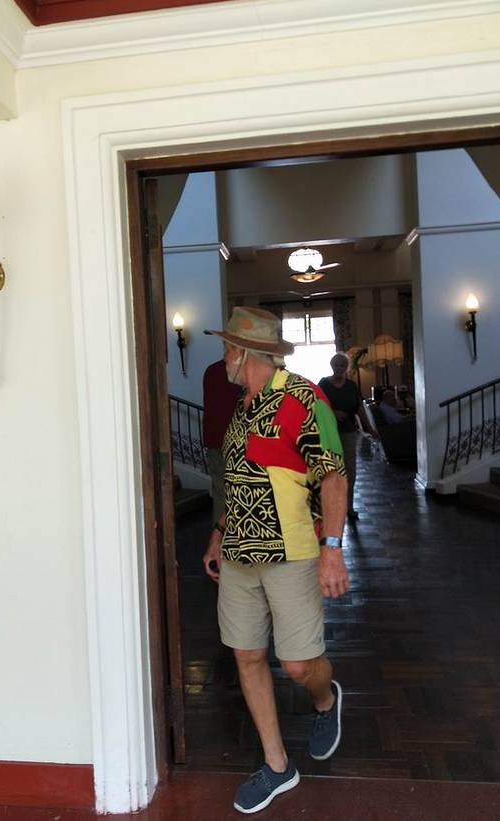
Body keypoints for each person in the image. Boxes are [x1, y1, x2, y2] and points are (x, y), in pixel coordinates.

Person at [202, 307, 349, 815]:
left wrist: (333, 551)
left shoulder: (303, 398)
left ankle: (325, 698)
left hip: (292, 552)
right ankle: (278, 765)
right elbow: (236, 481)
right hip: (239, 556)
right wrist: (218, 534)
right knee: (246, 655)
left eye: (227, 348)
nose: (223, 357)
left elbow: (333, 476)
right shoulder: (241, 408)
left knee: (297, 664)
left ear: (245, 352)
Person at [319, 352, 375, 521]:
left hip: (348, 432)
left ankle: (348, 506)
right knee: (330, 470)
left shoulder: (351, 385)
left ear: (347, 367)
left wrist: (369, 427)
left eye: (342, 365)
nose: (339, 368)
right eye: (336, 365)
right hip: (328, 433)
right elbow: (316, 405)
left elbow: (359, 408)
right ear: (331, 366)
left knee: (350, 470)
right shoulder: (324, 384)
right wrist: (333, 412)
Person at [202, 359, 242, 525]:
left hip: (215, 441)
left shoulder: (211, 371)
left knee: (220, 492)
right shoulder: (242, 371)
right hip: (239, 443)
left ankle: (220, 534)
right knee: (242, 491)